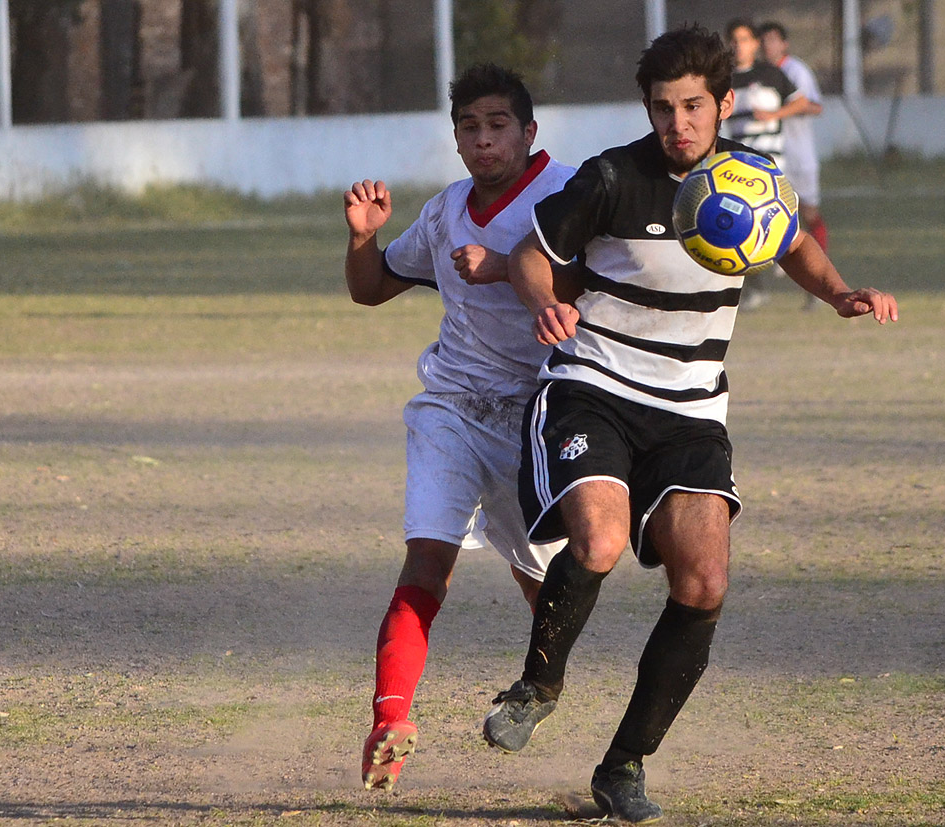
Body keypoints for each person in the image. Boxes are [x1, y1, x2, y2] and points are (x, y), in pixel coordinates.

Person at [480, 24, 898, 824]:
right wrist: (547, 301)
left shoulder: (754, 180)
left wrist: (840, 291)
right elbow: (533, 257)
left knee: (703, 580)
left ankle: (624, 764)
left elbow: (793, 242)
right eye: (664, 107)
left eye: (693, 106)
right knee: (598, 541)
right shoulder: (610, 177)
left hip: (692, 409)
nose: (678, 123)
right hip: (594, 385)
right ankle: (538, 684)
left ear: (725, 104)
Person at [342, 63, 574, 794]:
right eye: (468, 127)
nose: (482, 140)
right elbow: (375, 287)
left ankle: (543, 686)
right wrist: (362, 239)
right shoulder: (444, 212)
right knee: (425, 562)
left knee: (550, 585)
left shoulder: (568, 195)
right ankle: (390, 720)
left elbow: (601, 285)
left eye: (497, 124)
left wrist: (508, 268)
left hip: (534, 419)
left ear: (528, 131)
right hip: (449, 407)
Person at [723, 19, 821, 310]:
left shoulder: (771, 73)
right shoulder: (723, 78)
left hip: (772, 162)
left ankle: (807, 282)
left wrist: (774, 114)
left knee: (782, 221)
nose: (738, 46)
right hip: (738, 163)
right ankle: (755, 287)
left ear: (754, 43)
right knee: (738, 225)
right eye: (734, 40)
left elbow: (804, 103)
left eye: (744, 40)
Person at [758, 20, 830, 284]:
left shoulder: (795, 69)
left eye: (773, 40)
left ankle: (822, 273)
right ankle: (770, 271)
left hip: (799, 152)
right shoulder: (757, 73)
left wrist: (776, 113)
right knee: (769, 210)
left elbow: (814, 106)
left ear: (784, 43)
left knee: (809, 212)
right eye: (764, 40)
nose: (768, 45)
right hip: (771, 154)